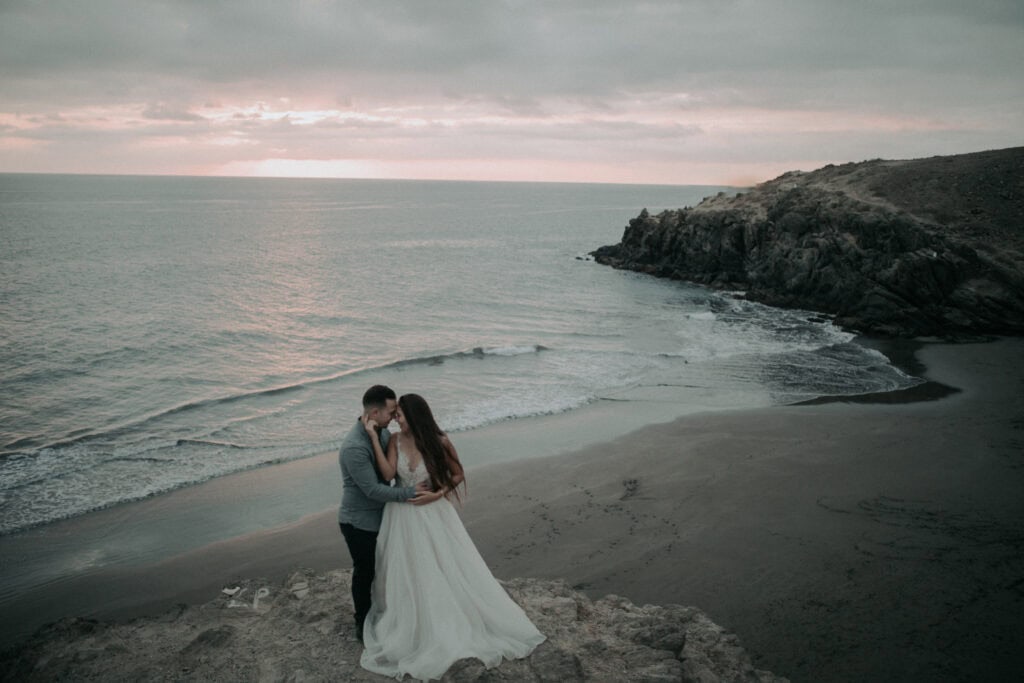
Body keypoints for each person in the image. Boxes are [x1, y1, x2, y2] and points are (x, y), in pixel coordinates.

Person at [359, 393, 545, 680]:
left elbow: (457, 474)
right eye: (394, 415)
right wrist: (373, 436)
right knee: (407, 570)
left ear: (414, 416)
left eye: (400, 415)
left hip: (433, 513)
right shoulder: (395, 441)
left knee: (442, 566)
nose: (396, 419)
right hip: (401, 516)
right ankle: (412, 623)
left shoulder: (439, 441)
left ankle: (445, 624)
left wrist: (437, 493)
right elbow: (386, 476)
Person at [338, 385, 432, 641]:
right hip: (359, 522)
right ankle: (361, 622)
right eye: (391, 412)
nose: (394, 416)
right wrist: (409, 492)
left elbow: (389, 470)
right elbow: (373, 490)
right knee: (365, 571)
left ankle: (392, 614)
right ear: (375, 411)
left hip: (385, 516)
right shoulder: (354, 448)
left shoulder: (381, 432)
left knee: (388, 569)